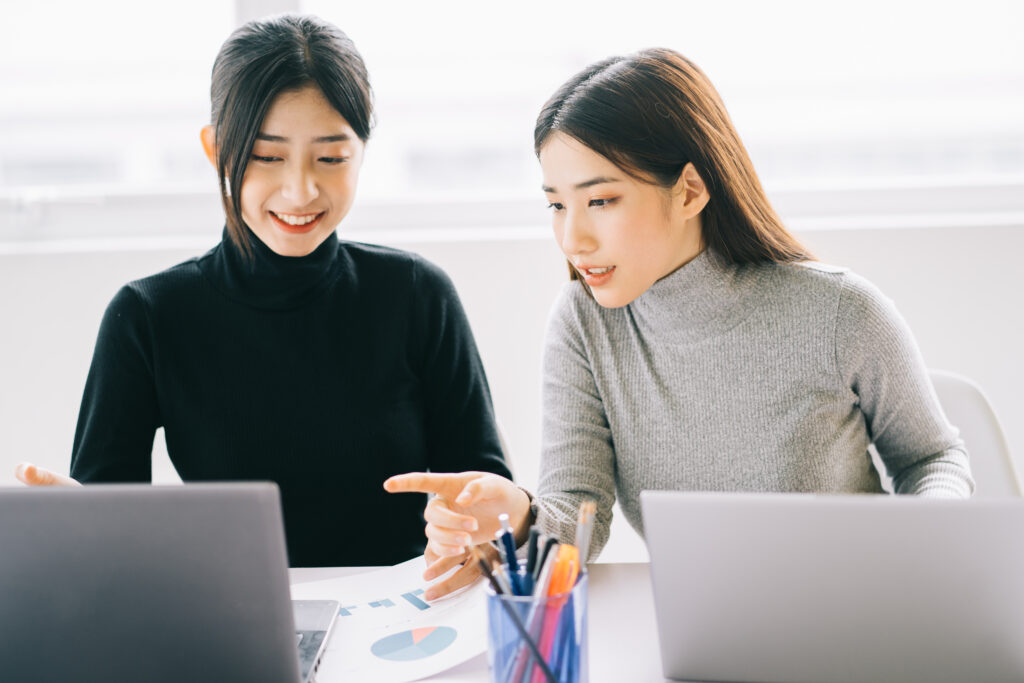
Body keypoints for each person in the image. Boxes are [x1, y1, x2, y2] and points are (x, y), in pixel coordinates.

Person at [384, 48, 974, 599]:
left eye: (601, 201)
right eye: (557, 204)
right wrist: (519, 516)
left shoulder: (842, 311)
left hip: (857, 610)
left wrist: (923, 547)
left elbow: (931, 460)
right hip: (703, 619)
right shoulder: (584, 324)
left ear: (690, 190)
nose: (572, 238)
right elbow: (579, 510)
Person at [14, 14, 510, 567]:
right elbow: (106, 535)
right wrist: (73, 533)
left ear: (362, 152)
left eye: (331, 158)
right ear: (216, 149)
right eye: (266, 156)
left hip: (409, 624)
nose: (300, 191)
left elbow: (488, 499)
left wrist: (474, 528)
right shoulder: (149, 316)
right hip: (231, 623)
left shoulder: (418, 295)